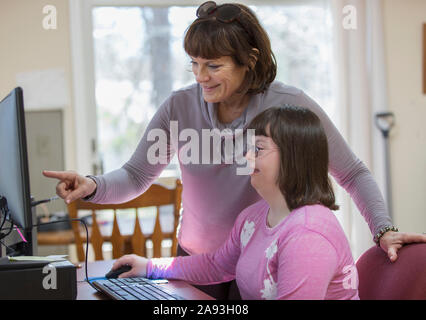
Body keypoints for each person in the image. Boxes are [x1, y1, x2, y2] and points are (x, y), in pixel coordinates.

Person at [43, 1, 426, 299]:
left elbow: (353, 172)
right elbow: (137, 175)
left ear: (250, 61)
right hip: (199, 259)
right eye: (193, 64)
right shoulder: (180, 106)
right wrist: (92, 185)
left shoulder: (289, 107)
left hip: (266, 259)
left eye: (213, 65)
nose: (199, 77)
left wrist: (384, 229)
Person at [110, 106, 360, 300]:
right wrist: (149, 266)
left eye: (258, 149)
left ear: (293, 158)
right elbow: (216, 266)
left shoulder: (308, 235)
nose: (247, 156)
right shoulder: (253, 217)